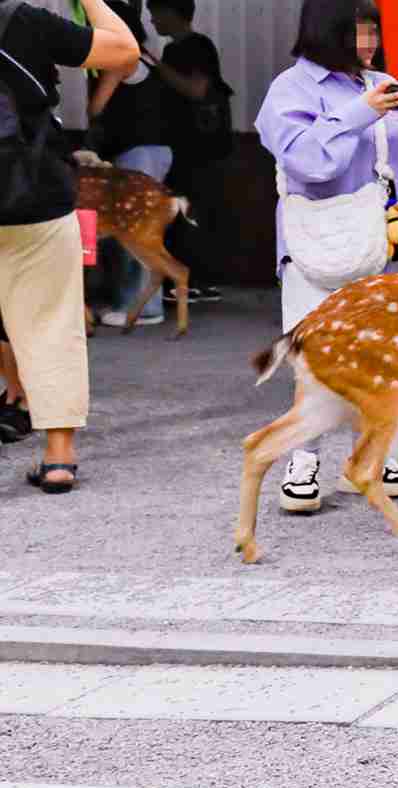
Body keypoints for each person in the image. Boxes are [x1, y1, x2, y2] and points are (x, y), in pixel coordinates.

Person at [257, 0, 398, 513]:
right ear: (324, 33)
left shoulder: (382, 81)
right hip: (322, 247)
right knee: (318, 356)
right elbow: (309, 161)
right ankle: (302, 457)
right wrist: (361, 112)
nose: (368, 45)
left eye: (372, 33)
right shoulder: (290, 90)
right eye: (357, 33)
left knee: (386, 356)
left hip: (393, 242)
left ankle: (374, 451)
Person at [0, 0, 139, 492]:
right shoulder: (22, 22)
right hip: (34, 196)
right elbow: (125, 53)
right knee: (51, 322)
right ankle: (59, 457)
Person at [87, 1, 172, 325]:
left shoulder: (123, 57)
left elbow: (96, 108)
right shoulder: (146, 55)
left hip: (141, 153)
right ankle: (134, 305)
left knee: (135, 232)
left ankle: (143, 309)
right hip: (152, 150)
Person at [146, 0, 233, 301]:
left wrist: (154, 64)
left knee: (190, 213)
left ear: (171, 12)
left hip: (199, 149)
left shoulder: (198, 46)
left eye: (155, 11)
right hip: (182, 146)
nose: (152, 19)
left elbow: (196, 90)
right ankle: (187, 280)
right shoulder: (173, 50)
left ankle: (191, 281)